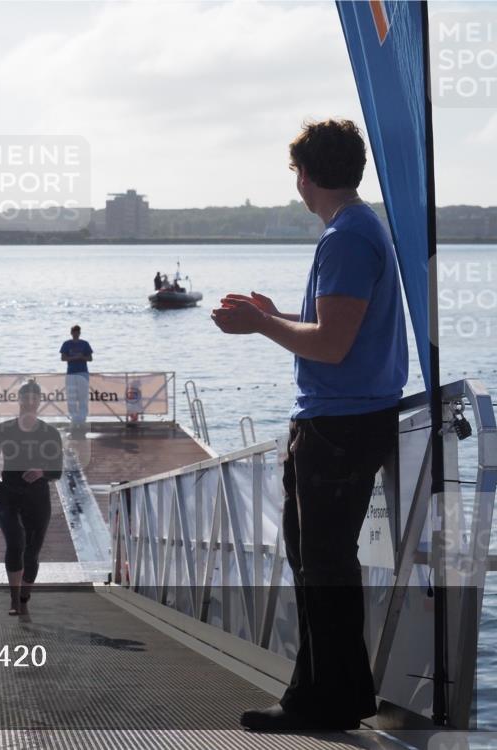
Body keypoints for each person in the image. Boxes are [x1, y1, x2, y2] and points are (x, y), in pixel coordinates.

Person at [212, 119, 407, 732]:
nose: (295, 182)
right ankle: (327, 693)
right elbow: (332, 326)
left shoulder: (345, 238)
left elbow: (330, 345)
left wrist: (259, 326)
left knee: (321, 562)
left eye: (295, 171)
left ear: (306, 174)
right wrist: (279, 315)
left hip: (339, 425)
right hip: (349, 419)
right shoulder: (359, 229)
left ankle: (326, 699)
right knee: (319, 561)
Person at [0, 380, 63, 616]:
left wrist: (41, 472)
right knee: (15, 541)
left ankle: (25, 595)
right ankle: (15, 598)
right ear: (18, 400)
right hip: (7, 494)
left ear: (39, 402)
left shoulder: (50, 433)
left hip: (37, 498)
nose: (29, 403)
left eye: (34, 399)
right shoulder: (3, 429)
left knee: (32, 553)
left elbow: (57, 471)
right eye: (25, 398)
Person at [59, 325, 92, 427]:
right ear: (71, 333)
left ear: (79, 333)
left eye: (77, 332)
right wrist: (73, 358)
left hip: (82, 372)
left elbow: (90, 358)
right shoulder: (66, 344)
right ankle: (73, 418)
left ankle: (82, 418)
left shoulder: (85, 344)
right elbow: (63, 358)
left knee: (83, 396)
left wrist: (82, 357)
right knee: (71, 396)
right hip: (71, 372)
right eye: (74, 332)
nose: (75, 334)